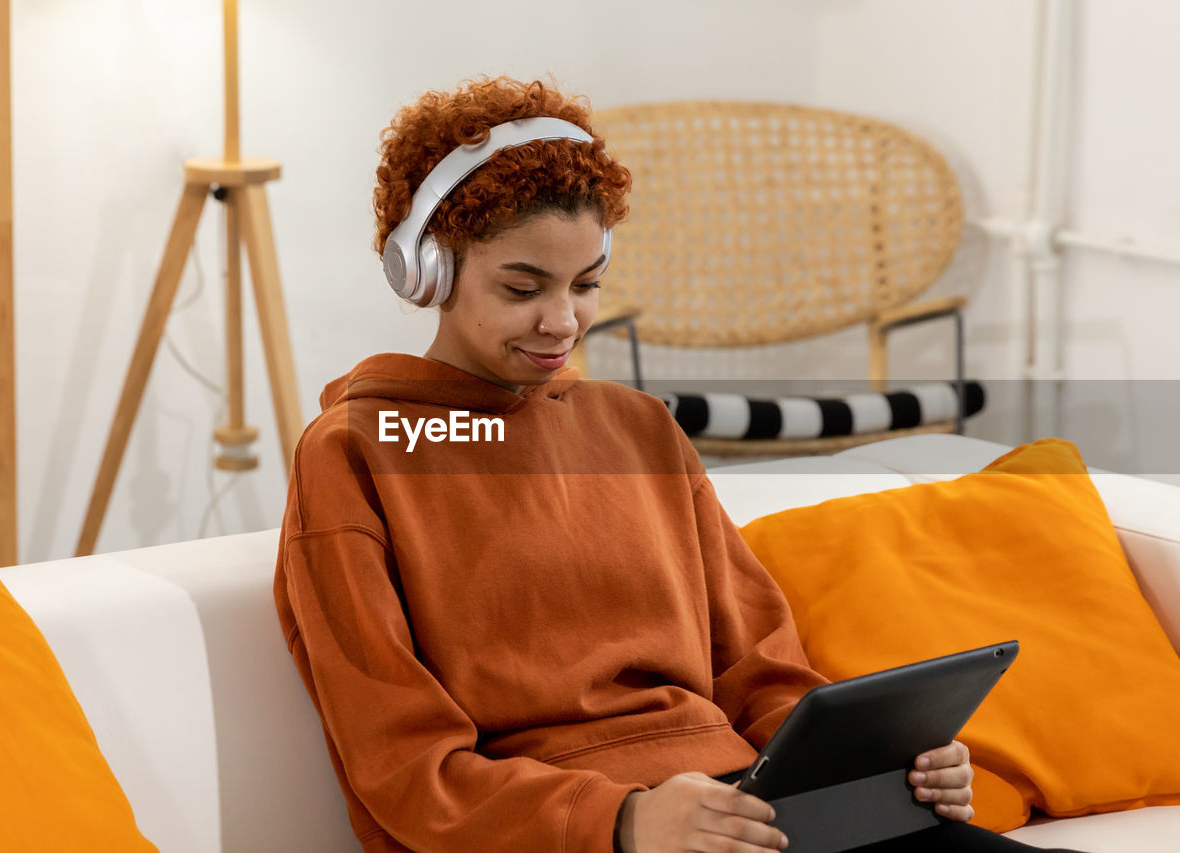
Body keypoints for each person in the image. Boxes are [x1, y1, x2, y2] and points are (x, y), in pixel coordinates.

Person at [274, 76, 1085, 853]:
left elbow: (759, 671)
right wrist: (624, 822)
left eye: (586, 284)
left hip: (742, 808)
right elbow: (402, 770)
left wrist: (873, 764)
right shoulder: (355, 453)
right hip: (563, 833)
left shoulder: (639, 430)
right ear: (427, 269)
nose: (563, 321)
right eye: (523, 287)